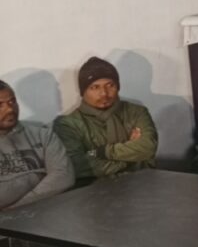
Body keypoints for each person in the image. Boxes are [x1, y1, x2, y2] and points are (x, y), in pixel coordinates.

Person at [53, 57, 158, 185]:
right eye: (95, 87)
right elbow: (77, 165)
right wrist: (132, 157)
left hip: (142, 184)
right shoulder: (68, 124)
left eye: (110, 85)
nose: (104, 93)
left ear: (118, 86)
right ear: (83, 91)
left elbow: (148, 148)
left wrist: (101, 152)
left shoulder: (136, 112)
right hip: (95, 191)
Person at [0, 80, 73, 209]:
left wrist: (16, 207)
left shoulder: (43, 134)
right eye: (0, 105)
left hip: (53, 212)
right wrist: (38, 176)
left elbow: (64, 177)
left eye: (12, 101)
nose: (10, 109)